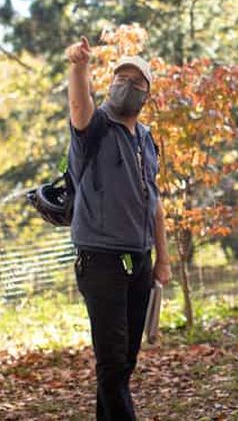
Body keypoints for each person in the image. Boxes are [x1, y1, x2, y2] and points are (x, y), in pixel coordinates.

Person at [66, 37, 172, 420]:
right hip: (101, 260)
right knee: (111, 364)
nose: (126, 86)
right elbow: (79, 105)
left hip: (139, 260)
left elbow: (154, 202)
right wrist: (78, 67)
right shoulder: (93, 127)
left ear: (146, 95)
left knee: (124, 362)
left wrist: (163, 257)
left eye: (136, 82)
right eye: (120, 78)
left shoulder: (146, 139)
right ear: (110, 85)